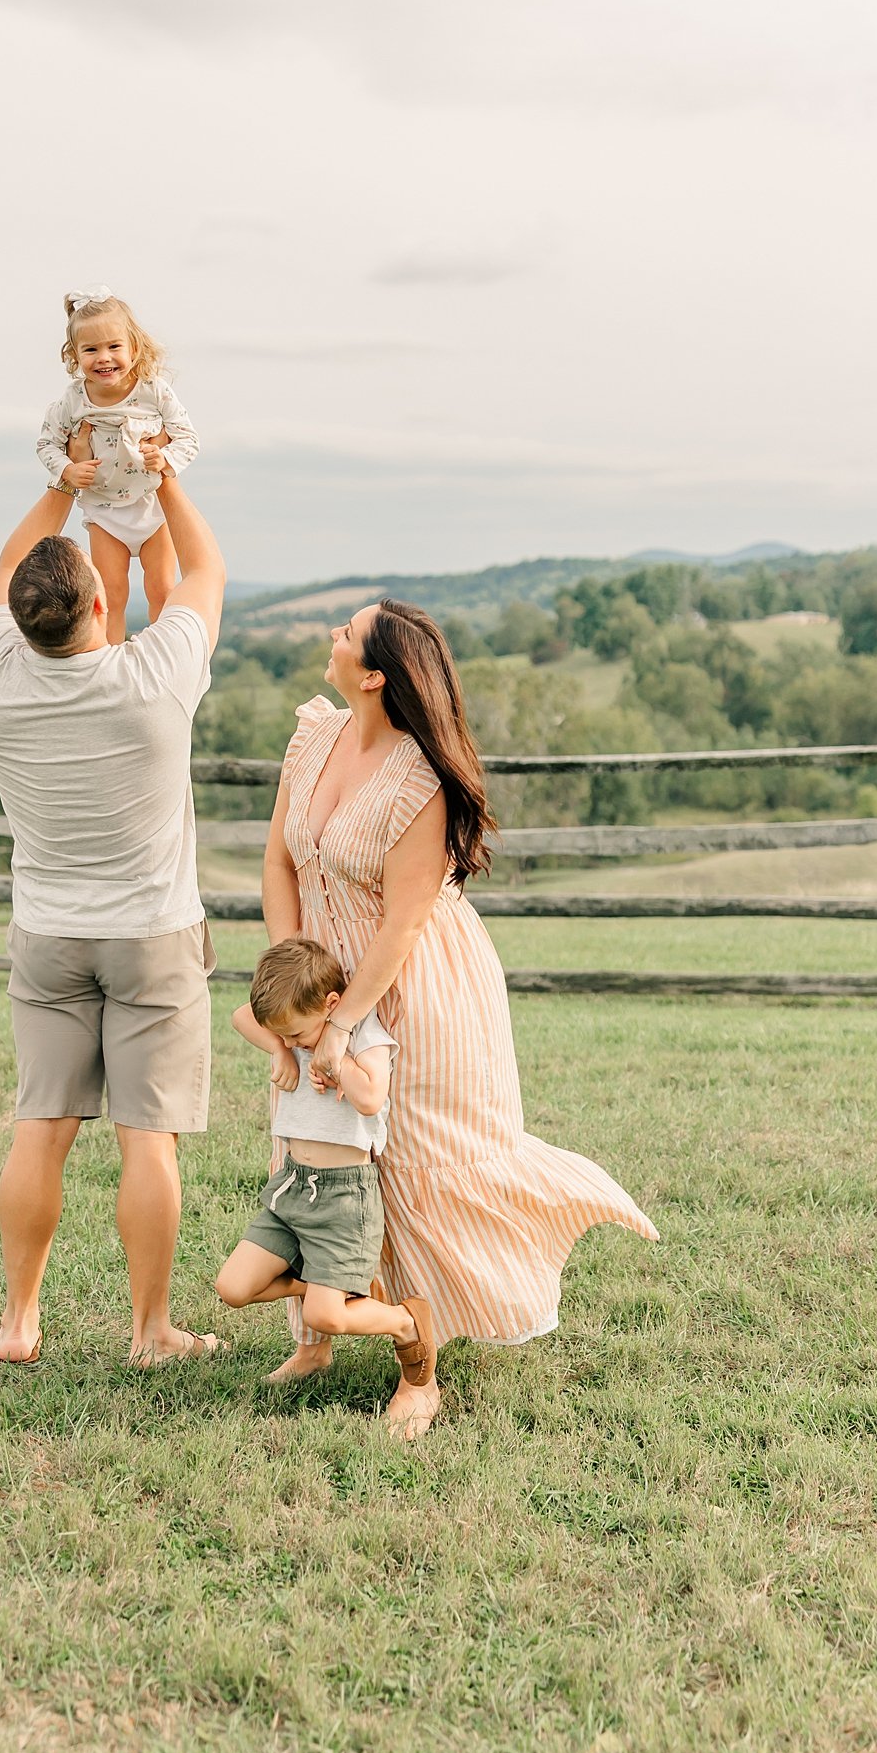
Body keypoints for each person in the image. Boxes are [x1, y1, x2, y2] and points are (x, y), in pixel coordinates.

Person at [261, 600, 658, 1440]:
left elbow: (404, 924)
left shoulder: (420, 782)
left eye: (345, 632)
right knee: (312, 1150)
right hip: (321, 984)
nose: (330, 636)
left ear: (374, 674)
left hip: (414, 990)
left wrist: (341, 1026)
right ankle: (317, 1338)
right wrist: (293, 993)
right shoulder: (313, 739)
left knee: (407, 1168)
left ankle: (420, 1372)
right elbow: (279, 862)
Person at [0, 464, 225, 1368]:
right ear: (99, 611)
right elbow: (202, 575)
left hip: (48, 934)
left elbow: (8, 563)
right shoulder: (151, 680)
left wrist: (64, 484)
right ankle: (152, 1332)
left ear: (25, 621)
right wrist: (161, 482)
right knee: (145, 1142)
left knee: (41, 1129)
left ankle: (22, 1324)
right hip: (152, 935)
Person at [214, 936, 436, 1401]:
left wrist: (337, 1063)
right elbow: (240, 1016)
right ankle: (317, 1282)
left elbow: (373, 1098)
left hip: (343, 1198)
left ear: (332, 1004)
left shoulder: (364, 1036)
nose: (293, 1043)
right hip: (292, 1187)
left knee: (325, 1317)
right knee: (233, 1287)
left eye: (296, 1035)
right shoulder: (296, 1030)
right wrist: (280, 1050)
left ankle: (405, 1321)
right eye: (285, 1037)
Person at [36, 286, 200, 646]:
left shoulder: (153, 390)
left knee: (161, 588)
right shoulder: (73, 400)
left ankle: (163, 651)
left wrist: (166, 458)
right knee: (111, 593)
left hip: (151, 506)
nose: (103, 358)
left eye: (114, 347)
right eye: (91, 349)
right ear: (74, 355)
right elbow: (46, 443)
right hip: (104, 511)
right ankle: (109, 657)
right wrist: (67, 469)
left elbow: (188, 438)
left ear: (134, 348)